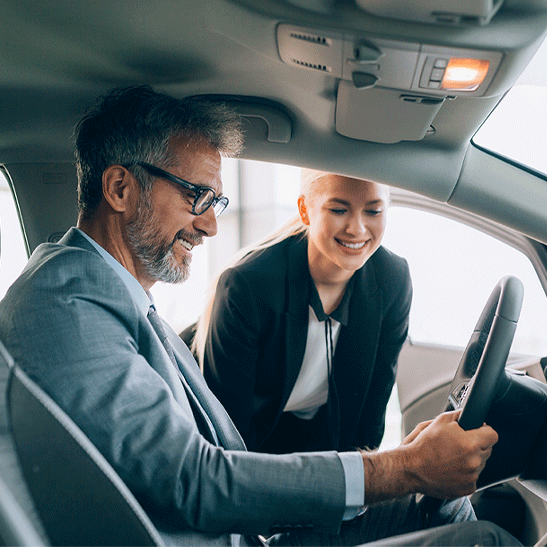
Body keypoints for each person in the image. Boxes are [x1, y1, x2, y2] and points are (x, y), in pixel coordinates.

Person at [0, 85, 518, 547]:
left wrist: (401, 467)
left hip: (251, 527)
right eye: (196, 196)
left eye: (216, 202)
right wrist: (402, 468)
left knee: (450, 510)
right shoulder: (66, 302)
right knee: (483, 538)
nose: (210, 227)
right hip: (232, 527)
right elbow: (194, 480)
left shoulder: (110, 298)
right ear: (119, 189)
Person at [189, 169, 410, 454]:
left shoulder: (393, 278)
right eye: (339, 209)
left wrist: (359, 483)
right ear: (305, 210)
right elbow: (228, 432)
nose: (357, 228)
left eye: (374, 211)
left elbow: (370, 414)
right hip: (242, 431)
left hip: (315, 429)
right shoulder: (248, 285)